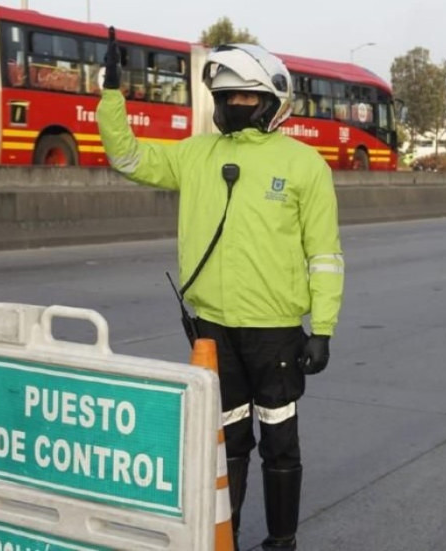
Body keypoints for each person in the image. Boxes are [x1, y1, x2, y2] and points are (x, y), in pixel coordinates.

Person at [96, 35, 344, 551]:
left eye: (245, 98)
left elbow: (324, 256)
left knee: (279, 442)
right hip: (212, 332)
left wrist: (321, 329)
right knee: (226, 443)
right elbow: (126, 157)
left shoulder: (303, 165)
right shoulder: (195, 154)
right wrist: (112, 95)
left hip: (274, 333)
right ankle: (221, 538)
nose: (233, 105)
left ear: (273, 101)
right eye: (226, 97)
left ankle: (281, 540)